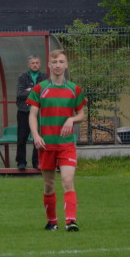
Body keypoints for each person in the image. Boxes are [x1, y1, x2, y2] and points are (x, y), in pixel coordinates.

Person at [27, 49, 86, 232]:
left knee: (67, 181)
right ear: (49, 65)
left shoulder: (74, 89)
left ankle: (71, 221)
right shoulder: (40, 89)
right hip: (46, 145)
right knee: (49, 185)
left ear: (66, 65)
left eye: (61, 62)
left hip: (66, 144)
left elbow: (81, 114)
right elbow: (32, 115)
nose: (58, 65)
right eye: (55, 62)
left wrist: (71, 119)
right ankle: (52, 221)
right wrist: (36, 136)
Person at [15, 55, 46, 171]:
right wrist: (35, 90)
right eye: (33, 63)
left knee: (37, 137)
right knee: (22, 137)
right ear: (29, 65)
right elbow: (20, 94)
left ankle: (36, 161)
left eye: (37, 63)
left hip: (39, 112)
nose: (35, 65)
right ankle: (21, 162)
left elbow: (45, 92)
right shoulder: (22, 77)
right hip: (24, 111)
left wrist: (29, 90)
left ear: (40, 64)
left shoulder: (44, 77)